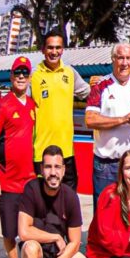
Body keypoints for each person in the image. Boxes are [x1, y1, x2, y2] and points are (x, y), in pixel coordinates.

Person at [17, 146, 98, 258]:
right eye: (48, 167)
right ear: (41, 170)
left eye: (57, 167)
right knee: (30, 248)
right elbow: (24, 232)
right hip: (37, 247)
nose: (52, 173)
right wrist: (54, 237)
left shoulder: (70, 197)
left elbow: (75, 241)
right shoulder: (31, 189)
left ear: (63, 170)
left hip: (57, 254)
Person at [0, 56, 36, 258]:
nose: (20, 76)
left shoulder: (33, 105)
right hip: (7, 183)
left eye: (24, 73)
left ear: (29, 77)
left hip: (30, 183)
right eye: (17, 72)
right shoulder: (3, 105)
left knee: (29, 231)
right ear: (10, 76)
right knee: (9, 233)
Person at [85, 44, 130, 203]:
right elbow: (90, 120)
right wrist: (123, 119)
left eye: (128, 58)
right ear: (113, 59)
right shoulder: (101, 86)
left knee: (129, 213)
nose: (124, 63)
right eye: (120, 58)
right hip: (105, 164)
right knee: (103, 215)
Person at [30, 28, 91, 190]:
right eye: (50, 47)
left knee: (69, 196)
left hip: (66, 151)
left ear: (63, 49)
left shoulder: (70, 73)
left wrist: (108, 81)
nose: (54, 52)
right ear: (43, 50)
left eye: (58, 47)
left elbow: (89, 93)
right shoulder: (33, 75)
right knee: (42, 201)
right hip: (40, 151)